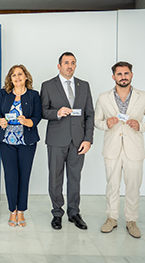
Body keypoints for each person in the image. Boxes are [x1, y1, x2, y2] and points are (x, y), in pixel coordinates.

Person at [95, 61, 145, 238]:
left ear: (131, 75)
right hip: (111, 149)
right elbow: (96, 121)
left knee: (133, 186)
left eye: (126, 73)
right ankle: (111, 218)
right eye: (119, 74)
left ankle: (131, 221)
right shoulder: (103, 97)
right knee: (112, 185)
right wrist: (105, 124)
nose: (123, 77)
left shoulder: (144, 96)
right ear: (113, 77)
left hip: (134, 149)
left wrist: (140, 126)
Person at [40, 52, 94, 230]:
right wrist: (56, 113)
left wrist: (88, 140)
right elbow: (42, 112)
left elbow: (89, 115)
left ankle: (74, 213)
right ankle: (57, 213)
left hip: (78, 141)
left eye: (72, 63)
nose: (69, 66)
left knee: (75, 178)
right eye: (66, 63)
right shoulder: (48, 85)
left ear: (75, 65)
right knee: (55, 178)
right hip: (56, 140)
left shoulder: (84, 86)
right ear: (59, 66)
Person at [0, 64, 42, 227]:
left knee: (24, 176)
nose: (17, 77)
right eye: (13, 75)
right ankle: (12, 211)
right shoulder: (4, 94)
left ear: (26, 77)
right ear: (10, 79)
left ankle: (21, 211)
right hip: (7, 142)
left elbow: (37, 116)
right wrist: (0, 120)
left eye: (20, 74)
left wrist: (27, 121)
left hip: (26, 142)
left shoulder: (34, 95)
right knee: (10, 177)